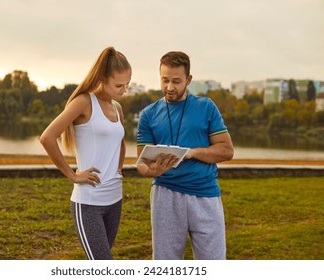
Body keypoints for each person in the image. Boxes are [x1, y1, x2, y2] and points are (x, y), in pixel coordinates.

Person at [136, 51, 234, 260]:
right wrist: (152, 170)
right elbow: (141, 164)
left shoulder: (206, 107)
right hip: (165, 195)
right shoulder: (148, 114)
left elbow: (227, 150)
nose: (170, 87)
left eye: (176, 81)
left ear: (188, 79)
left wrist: (192, 153)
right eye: (165, 80)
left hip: (205, 195)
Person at [40, 47, 131, 260]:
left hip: (115, 199)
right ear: (102, 78)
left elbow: (120, 142)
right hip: (89, 202)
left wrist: (118, 168)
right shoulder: (83, 102)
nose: (124, 89)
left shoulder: (117, 108)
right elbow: (47, 137)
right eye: (119, 85)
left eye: (128, 84)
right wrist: (72, 175)